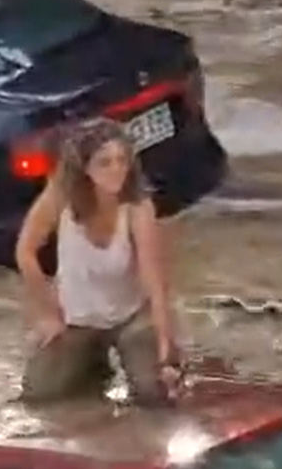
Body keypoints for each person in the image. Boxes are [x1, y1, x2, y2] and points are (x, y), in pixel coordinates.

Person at [14, 117, 181, 405]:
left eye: (121, 160)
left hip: (130, 318)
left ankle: (142, 359)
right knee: (39, 394)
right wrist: (49, 314)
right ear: (85, 168)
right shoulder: (59, 196)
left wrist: (166, 348)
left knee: (154, 393)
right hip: (78, 320)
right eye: (105, 163)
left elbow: (154, 281)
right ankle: (93, 365)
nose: (116, 170)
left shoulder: (138, 207)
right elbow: (25, 252)